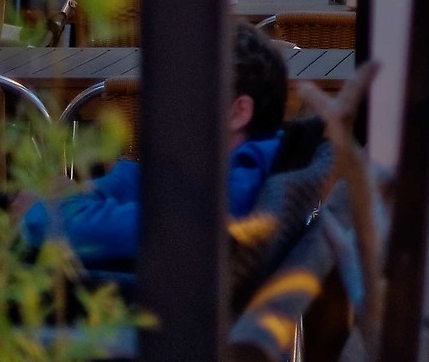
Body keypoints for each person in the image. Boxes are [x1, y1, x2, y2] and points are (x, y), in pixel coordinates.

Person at [20, 23, 287, 271]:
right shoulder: (230, 176)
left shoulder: (225, 204)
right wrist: (73, 197)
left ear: (238, 113)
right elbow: (145, 185)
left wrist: (44, 208)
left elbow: (55, 227)